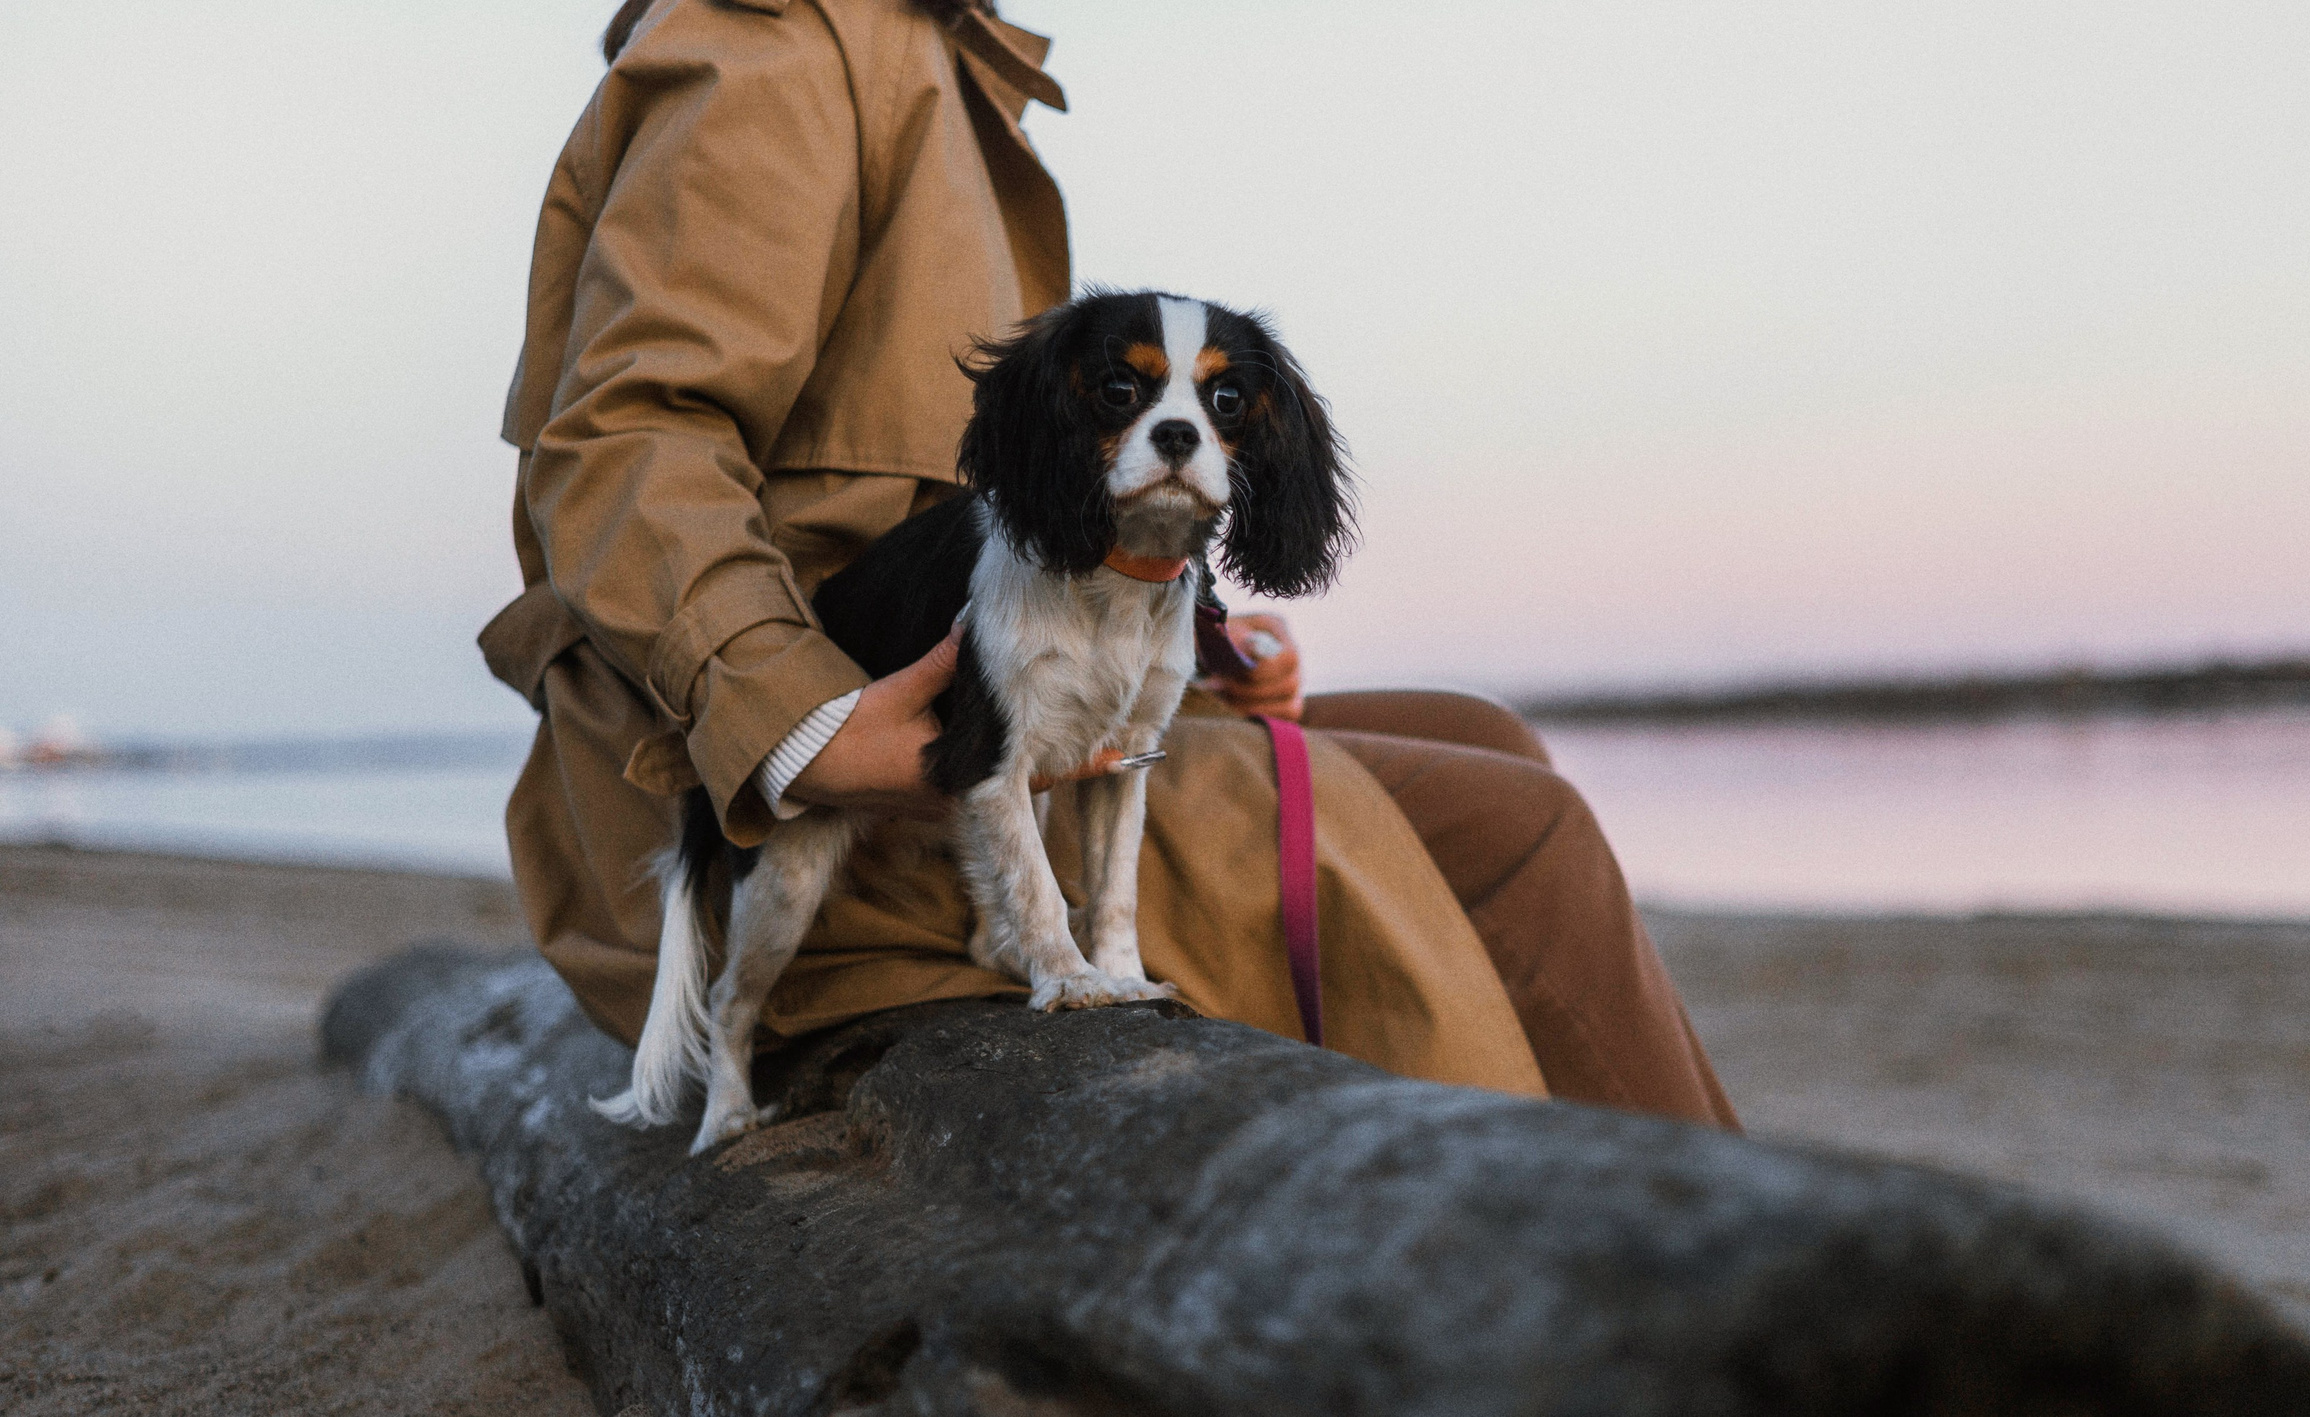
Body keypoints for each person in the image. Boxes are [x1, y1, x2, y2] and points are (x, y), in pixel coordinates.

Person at [482, 0, 1737, 1127]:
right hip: (838, 802)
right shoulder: (775, 46)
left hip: (1006, 693)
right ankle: (1697, 1298)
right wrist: (796, 723)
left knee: (1486, 736)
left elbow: (1051, 492)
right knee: (1526, 833)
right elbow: (628, 434)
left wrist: (1192, 642)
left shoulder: (937, 61)